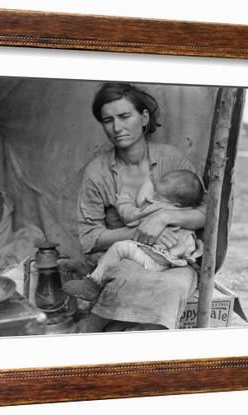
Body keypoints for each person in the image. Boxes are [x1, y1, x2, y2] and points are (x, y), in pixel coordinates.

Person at [69, 82, 207, 331]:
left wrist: (163, 217)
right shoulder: (98, 171)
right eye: (107, 120)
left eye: (124, 116)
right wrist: (140, 231)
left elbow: (207, 214)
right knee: (125, 284)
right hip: (123, 259)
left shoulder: (172, 159)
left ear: (144, 118)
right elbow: (89, 238)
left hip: (174, 260)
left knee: (170, 289)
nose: (116, 127)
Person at [63, 169, 204, 301]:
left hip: (154, 261)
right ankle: (89, 267)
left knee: (119, 248)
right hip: (172, 261)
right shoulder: (186, 213)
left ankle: (93, 284)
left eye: (158, 196)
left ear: (177, 204)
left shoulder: (157, 208)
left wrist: (124, 201)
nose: (153, 197)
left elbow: (130, 215)